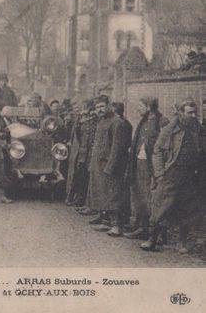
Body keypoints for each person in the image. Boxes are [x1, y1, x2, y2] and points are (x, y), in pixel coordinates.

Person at [142, 99, 205, 253]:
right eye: (189, 112)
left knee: (188, 209)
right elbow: (157, 152)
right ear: (181, 113)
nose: (193, 115)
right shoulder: (169, 129)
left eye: (195, 112)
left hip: (190, 175)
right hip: (171, 174)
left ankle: (182, 242)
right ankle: (152, 240)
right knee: (161, 207)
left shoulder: (198, 129)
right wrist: (160, 174)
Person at [87, 98, 132, 237]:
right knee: (103, 194)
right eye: (97, 107)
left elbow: (117, 148)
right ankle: (106, 221)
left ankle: (117, 225)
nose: (99, 109)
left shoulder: (117, 123)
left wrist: (111, 166)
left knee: (114, 195)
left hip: (110, 166)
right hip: (99, 165)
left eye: (102, 106)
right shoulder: (102, 122)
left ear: (109, 106)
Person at [124, 97, 168, 240]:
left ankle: (158, 234)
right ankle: (143, 229)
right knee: (141, 198)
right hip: (139, 164)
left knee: (153, 200)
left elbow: (165, 148)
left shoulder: (162, 122)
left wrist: (159, 171)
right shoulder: (143, 122)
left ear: (149, 107)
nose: (138, 109)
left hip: (152, 166)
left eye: (140, 106)